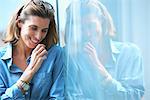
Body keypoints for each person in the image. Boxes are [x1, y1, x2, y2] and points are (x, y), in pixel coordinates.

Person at [64, 0, 145, 100]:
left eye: (91, 26)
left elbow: (135, 96)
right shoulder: (72, 59)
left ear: (102, 21)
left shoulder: (130, 53)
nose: (87, 33)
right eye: (81, 29)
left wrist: (102, 72)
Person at [0, 0, 64, 99]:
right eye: (33, 28)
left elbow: (58, 97)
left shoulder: (55, 54)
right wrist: (29, 73)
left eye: (44, 31)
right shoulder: (1, 61)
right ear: (19, 23)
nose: (38, 37)